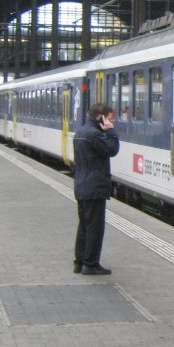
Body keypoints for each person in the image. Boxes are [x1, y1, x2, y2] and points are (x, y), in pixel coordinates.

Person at [73, 102, 120, 275]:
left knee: (84, 225)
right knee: (95, 227)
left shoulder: (81, 132)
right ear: (101, 117)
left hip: (81, 184)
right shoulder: (94, 134)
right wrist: (111, 131)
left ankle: (79, 262)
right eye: (109, 118)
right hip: (95, 185)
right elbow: (112, 149)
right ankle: (91, 264)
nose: (111, 122)